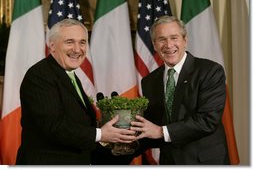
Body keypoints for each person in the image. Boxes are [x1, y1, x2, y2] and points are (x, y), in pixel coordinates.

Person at [16, 19, 136, 165]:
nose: (77, 49)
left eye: (82, 42)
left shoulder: (69, 74)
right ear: (52, 46)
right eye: (69, 42)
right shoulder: (40, 75)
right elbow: (53, 126)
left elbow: (75, 120)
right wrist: (101, 134)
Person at [131, 15, 230, 165]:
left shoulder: (210, 71)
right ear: (154, 44)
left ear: (185, 40)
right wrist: (124, 142)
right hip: (169, 162)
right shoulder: (149, 81)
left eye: (174, 38)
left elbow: (207, 121)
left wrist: (160, 131)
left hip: (204, 162)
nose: (169, 45)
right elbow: (153, 126)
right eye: (162, 39)